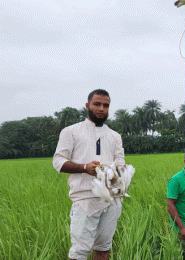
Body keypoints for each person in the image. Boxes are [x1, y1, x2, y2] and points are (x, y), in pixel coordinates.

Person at [53, 89, 125, 260]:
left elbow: (121, 164)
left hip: (112, 200)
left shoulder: (115, 136)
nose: (101, 108)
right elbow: (58, 161)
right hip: (85, 199)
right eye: (97, 104)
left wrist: (113, 174)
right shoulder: (71, 131)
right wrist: (85, 168)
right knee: (80, 251)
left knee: (103, 249)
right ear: (87, 106)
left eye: (106, 105)